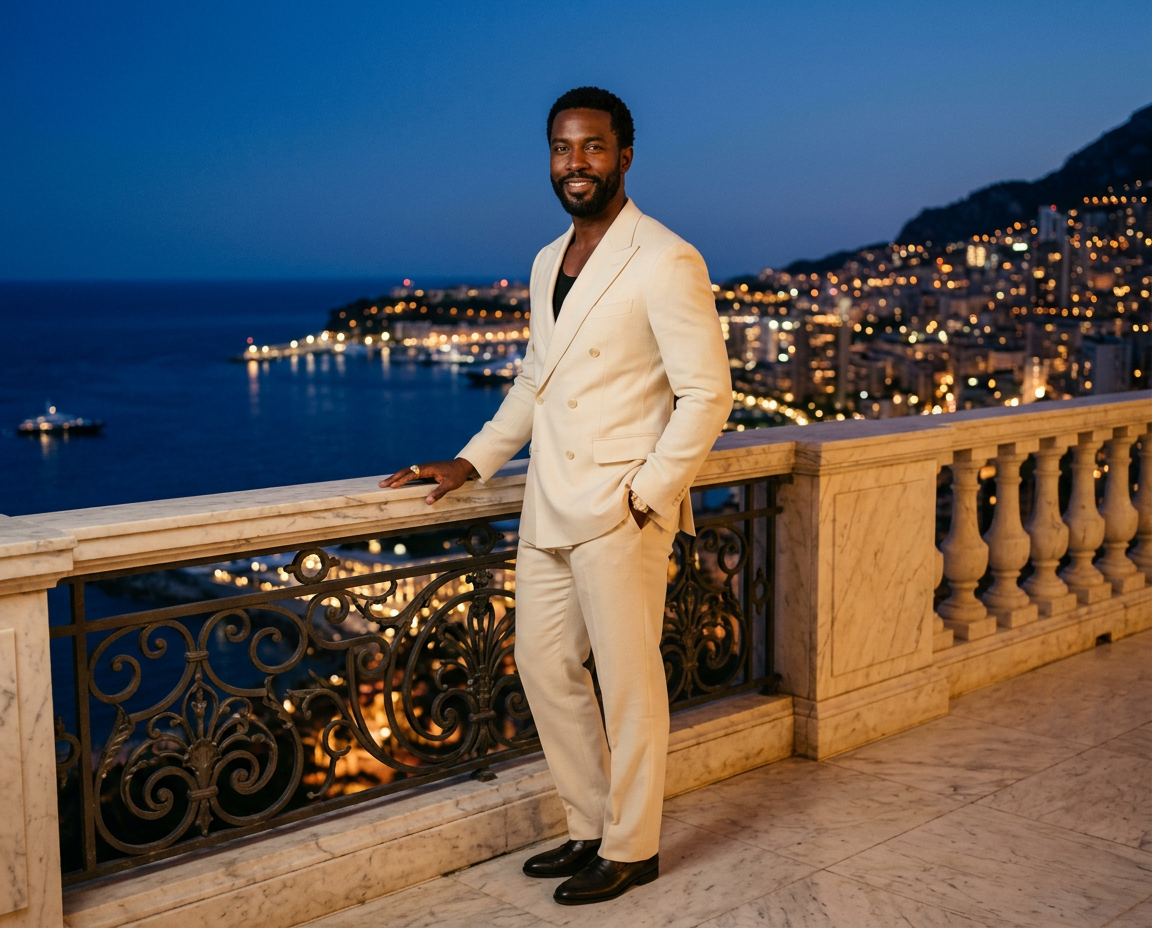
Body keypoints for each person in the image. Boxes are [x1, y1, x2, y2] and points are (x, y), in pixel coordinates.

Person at [382, 86, 731, 905]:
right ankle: (589, 827)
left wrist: (648, 494)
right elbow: (535, 382)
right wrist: (470, 463)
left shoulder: (665, 256)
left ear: (625, 155)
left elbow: (707, 393)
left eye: (593, 147)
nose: (576, 163)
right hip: (548, 501)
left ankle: (634, 846)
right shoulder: (547, 260)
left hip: (620, 507)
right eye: (562, 148)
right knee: (542, 663)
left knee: (630, 681)